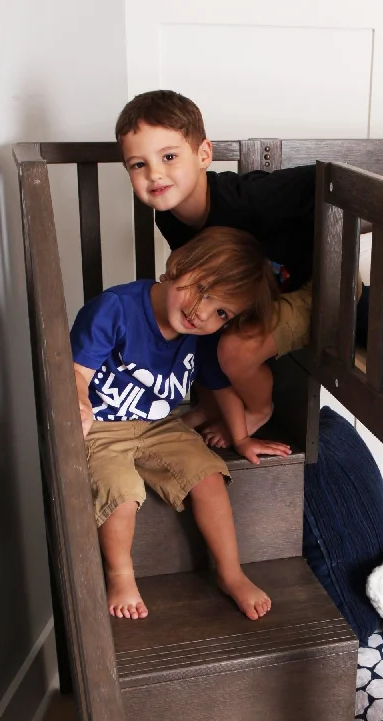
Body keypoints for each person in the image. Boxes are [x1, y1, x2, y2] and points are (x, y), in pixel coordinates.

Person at [70, 226, 291, 621]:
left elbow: (220, 388)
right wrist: (79, 404)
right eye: (201, 289)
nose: (201, 312)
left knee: (208, 475)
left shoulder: (201, 336)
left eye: (221, 312)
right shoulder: (115, 308)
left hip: (161, 425)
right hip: (103, 426)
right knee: (121, 492)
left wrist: (241, 437)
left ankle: (230, 573)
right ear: (178, 265)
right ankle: (120, 575)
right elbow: (76, 372)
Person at [115, 90, 317, 450]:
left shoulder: (251, 198)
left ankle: (258, 409)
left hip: (314, 285)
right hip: (251, 292)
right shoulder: (169, 215)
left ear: (203, 154)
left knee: (235, 348)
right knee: (194, 313)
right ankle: (211, 405)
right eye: (138, 164)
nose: (155, 175)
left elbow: (326, 183)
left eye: (169, 157)